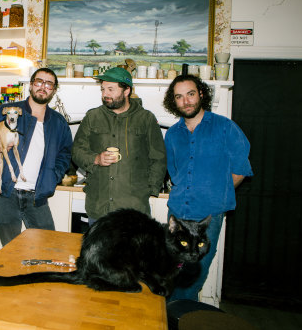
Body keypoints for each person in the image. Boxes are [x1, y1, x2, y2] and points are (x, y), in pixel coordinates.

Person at [162, 74, 253, 301]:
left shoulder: (225, 128)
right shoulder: (172, 134)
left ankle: (181, 320)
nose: (186, 101)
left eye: (191, 94)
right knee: (171, 274)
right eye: (179, 97)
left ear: (201, 94)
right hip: (177, 215)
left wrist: (215, 194)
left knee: (193, 277)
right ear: (174, 102)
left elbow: (241, 170)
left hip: (207, 218)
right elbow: (174, 172)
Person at [0, 68, 73, 246]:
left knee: (47, 248)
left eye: (48, 84)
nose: (42, 87)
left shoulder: (59, 123)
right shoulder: (6, 110)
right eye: (38, 82)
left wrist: (53, 176)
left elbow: (65, 153)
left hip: (38, 196)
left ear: (54, 89)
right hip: (6, 193)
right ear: (31, 85)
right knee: (10, 250)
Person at [72, 67, 166, 222]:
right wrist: (96, 159)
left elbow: (159, 157)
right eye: (103, 89)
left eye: (111, 89)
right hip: (98, 208)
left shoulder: (146, 119)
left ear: (127, 90)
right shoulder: (92, 117)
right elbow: (76, 151)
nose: (105, 94)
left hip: (134, 210)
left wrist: (150, 189)